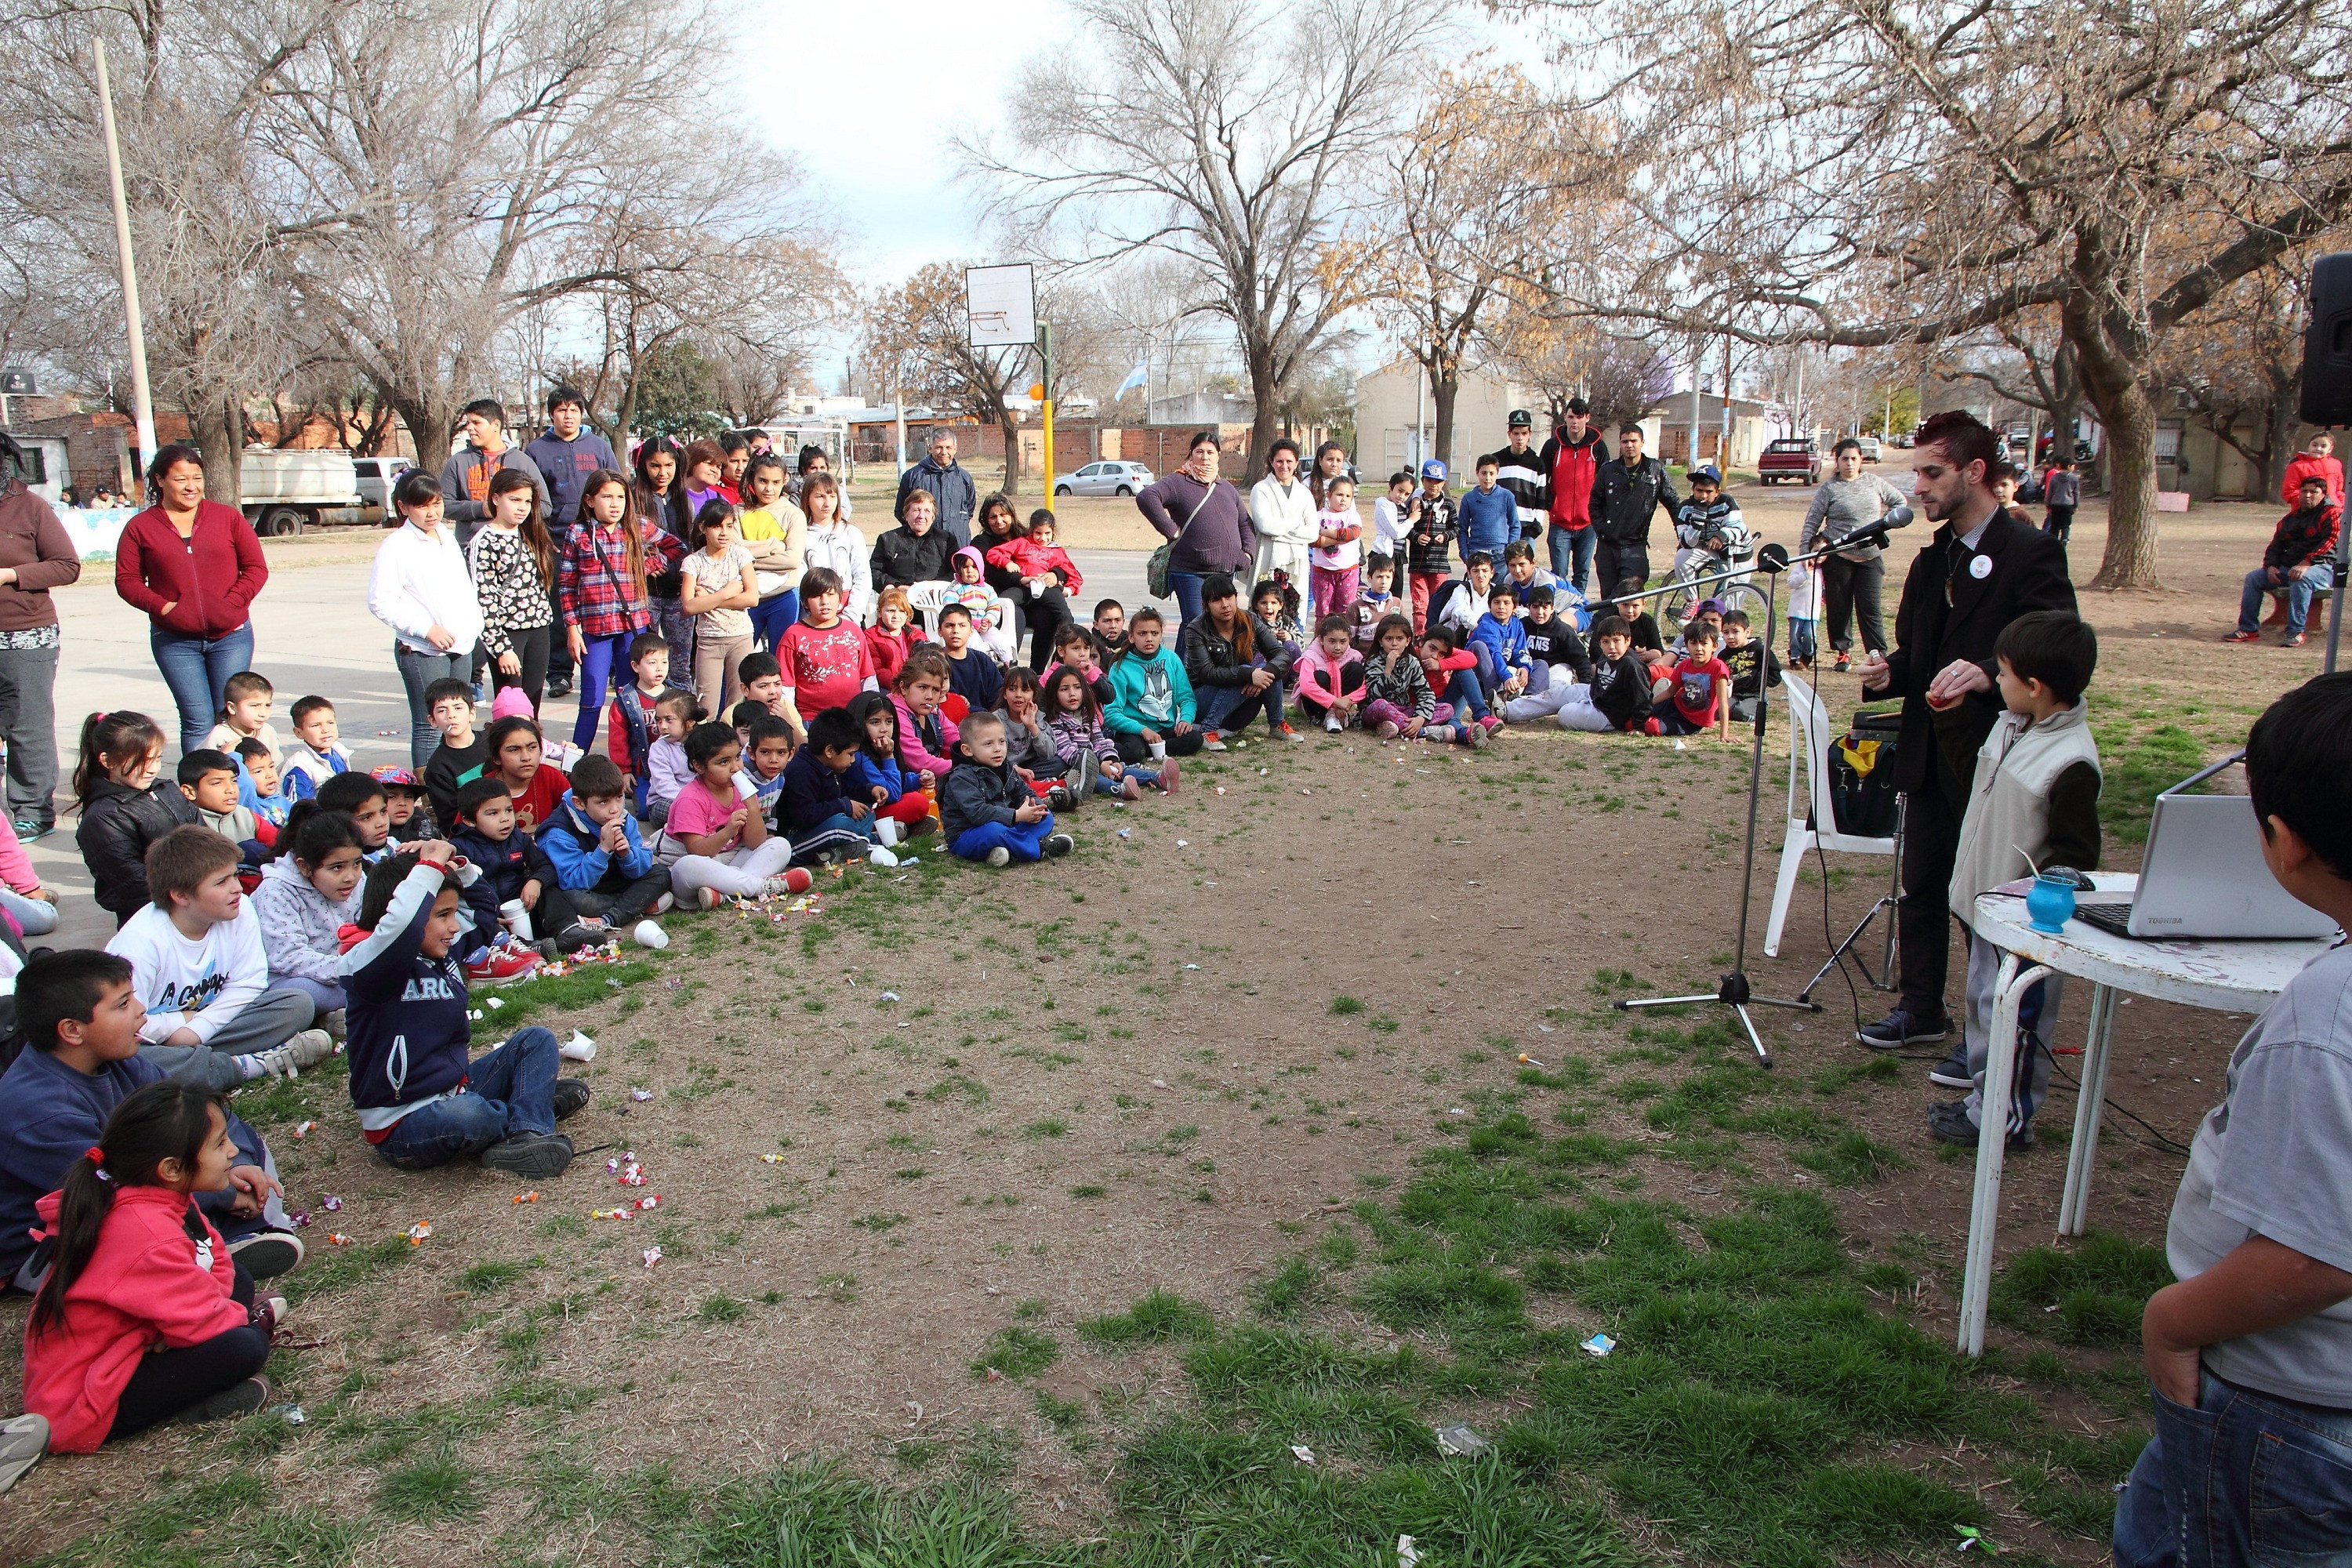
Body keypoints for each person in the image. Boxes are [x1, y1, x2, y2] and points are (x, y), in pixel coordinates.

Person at [2109, 672, 2352, 1568]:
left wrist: (2172, 1321)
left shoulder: (2325, 1025)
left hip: (2288, 1412)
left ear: (2285, 841)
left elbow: (2314, 1256)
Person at [1855, 409, 2078, 1051]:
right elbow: (1920, 654)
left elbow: (2061, 646)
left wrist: (1986, 671)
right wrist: (1889, 672)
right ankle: (1921, 1007)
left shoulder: (2031, 553)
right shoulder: (1933, 561)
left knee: (1990, 896)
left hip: (1997, 756)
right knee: (1923, 885)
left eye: (1932, 472)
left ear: (1975, 471)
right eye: (1917, 473)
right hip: (1931, 753)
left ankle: (1992, 1037)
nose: (1918, 486)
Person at [0, 952, 297, 1295]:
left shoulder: (121, 1062)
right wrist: (223, 1191)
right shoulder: (38, 1109)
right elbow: (111, 1193)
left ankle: (232, 1235)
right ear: (72, 1030)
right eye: (123, 1004)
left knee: (235, 1140)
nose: (142, 1010)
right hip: (57, 1240)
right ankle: (218, 1240)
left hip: (154, 1188)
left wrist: (236, 1165)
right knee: (132, 1226)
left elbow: (199, 1114)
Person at [21, 1080, 290, 1449]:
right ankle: (183, 1402)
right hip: (85, 1399)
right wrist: (237, 1322)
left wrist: (202, 1318)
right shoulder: (146, 1232)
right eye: (219, 1144)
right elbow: (204, 1320)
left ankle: (192, 1378)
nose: (232, 1151)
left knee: (239, 1280)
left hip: (129, 1343)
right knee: (246, 1347)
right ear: (172, 1168)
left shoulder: (163, 1194)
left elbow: (214, 1254)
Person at [1929, 611, 2101, 1150]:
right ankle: (1983, 1103)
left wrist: (2038, 903)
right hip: (1986, 909)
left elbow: (2078, 856)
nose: (1995, 680)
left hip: (2025, 925)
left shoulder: (2071, 762)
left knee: (2018, 1022)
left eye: (2002, 674)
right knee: (1984, 1009)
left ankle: (2006, 1119)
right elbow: (1977, 783)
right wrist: (1950, 719)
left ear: (2035, 686)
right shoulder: (2010, 725)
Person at [339, 848, 590, 1176]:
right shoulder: (369, 966)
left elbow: (485, 909)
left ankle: (528, 1130)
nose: (454, 926)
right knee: (470, 1114)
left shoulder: (440, 954)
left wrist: (459, 867)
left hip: (457, 1090)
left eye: (454, 913)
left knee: (536, 1040)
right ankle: (528, 1105)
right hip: (404, 1122)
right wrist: (428, 866)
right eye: (443, 915)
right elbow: (400, 926)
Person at [106, 826, 334, 1088]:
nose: (236, 888)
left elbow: (248, 985)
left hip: (208, 1028)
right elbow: (124, 1026)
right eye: (221, 882)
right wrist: (181, 1021)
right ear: (180, 895)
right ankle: (246, 1064)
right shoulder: (141, 943)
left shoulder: (240, 909)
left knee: (297, 1004)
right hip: (154, 1041)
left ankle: (197, 1062)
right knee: (134, 1062)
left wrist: (196, 1030)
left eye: (235, 876)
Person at [112, 445, 269, 757]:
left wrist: (231, 604)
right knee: (197, 720)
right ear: (160, 480)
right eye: (181, 479)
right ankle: (198, 784)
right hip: (174, 640)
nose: (191, 486)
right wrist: (164, 608)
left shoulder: (227, 518)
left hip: (231, 636)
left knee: (230, 718)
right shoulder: (140, 527)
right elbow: (127, 580)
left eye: (197, 478)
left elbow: (255, 568)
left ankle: (235, 781)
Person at [369, 470, 485, 772]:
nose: (432, 513)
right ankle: (428, 790)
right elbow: (380, 601)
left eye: (436, 504)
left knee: (458, 722)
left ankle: (458, 782)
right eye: (422, 506)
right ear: (403, 507)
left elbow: (463, 588)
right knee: (431, 724)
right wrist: (426, 629)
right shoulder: (397, 546)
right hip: (423, 651)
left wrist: (474, 628)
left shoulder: (446, 536)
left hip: (461, 645)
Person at [560, 470, 680, 753]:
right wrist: (572, 629)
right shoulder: (578, 533)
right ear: (590, 500)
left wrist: (649, 566)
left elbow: (676, 546)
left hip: (632, 628)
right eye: (607, 497)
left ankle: (634, 760)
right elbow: (566, 585)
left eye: (621, 497)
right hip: (595, 630)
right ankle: (575, 763)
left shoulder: (638, 526)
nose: (615, 504)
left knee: (631, 698)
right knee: (591, 698)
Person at [0, 441, 79, 839]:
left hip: (25, 635)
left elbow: (67, 566)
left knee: (26, 726)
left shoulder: (29, 506)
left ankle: (33, 810)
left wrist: (12, 575)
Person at [659, 722, 808, 907]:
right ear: (699, 766)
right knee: (688, 864)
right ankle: (761, 887)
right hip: (694, 873)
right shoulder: (690, 799)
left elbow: (755, 842)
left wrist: (752, 806)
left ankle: (726, 895)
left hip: (730, 863)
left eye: (737, 757)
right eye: (724, 762)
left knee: (780, 845)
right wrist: (727, 832)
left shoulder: (739, 788)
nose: (735, 767)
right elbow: (697, 851)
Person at [251, 803, 367, 1036]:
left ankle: (331, 1016)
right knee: (302, 994)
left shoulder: (359, 881)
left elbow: (366, 930)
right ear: (304, 867)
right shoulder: (275, 892)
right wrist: (348, 969)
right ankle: (342, 1008)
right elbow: (288, 957)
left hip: (344, 974)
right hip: (289, 981)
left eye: (356, 863)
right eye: (337, 868)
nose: (351, 876)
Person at [74, 712, 198, 927]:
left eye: (157, 758)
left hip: (195, 903)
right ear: (107, 761)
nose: (153, 769)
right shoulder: (104, 817)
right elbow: (135, 883)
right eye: (142, 761)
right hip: (152, 918)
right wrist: (196, 897)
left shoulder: (166, 789)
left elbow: (205, 841)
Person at [1136, 433, 1255, 652]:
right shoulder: (1179, 481)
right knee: (1195, 622)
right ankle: (1181, 670)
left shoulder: (1226, 488)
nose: (1205, 457)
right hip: (1189, 571)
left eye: (1210, 452)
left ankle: (1210, 670)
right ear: (1191, 454)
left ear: (1218, 455)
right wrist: (1171, 530)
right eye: (1199, 452)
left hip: (1224, 572)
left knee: (1219, 624)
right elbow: (1147, 497)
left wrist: (1247, 554)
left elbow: (1245, 523)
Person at [1800, 437, 1910, 672]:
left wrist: (1884, 525)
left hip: (1870, 556)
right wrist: (1805, 554)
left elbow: (1900, 502)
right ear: (1837, 461)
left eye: (1853, 458)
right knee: (1839, 608)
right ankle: (1843, 653)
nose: (1849, 463)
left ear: (1861, 460)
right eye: (1844, 459)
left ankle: (1877, 653)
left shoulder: (1874, 483)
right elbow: (1812, 522)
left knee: (1870, 608)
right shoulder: (1829, 489)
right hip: (1839, 557)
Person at [464, 466, 558, 716]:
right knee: (511, 709)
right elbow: (483, 600)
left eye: (527, 501)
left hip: (538, 629)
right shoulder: (484, 541)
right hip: (508, 633)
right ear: (496, 498)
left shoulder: (530, 533)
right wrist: (501, 648)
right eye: (515, 500)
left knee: (532, 707)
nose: (522, 508)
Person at [941, 709, 1072, 867]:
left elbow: (1023, 792)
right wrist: (1016, 816)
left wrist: (1034, 806)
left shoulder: (1006, 767)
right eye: (988, 744)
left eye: (1002, 742)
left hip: (1006, 824)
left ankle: (1007, 849)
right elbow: (978, 813)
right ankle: (1040, 849)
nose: (997, 749)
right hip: (969, 834)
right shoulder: (961, 777)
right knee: (994, 831)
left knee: (1046, 816)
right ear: (967, 750)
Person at [2225, 475, 2339, 648]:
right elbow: (2276, 546)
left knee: (2301, 579)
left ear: (2323, 494)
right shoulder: (2290, 519)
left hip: (2323, 568)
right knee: (2254, 578)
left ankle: (2295, 631)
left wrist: (2307, 563)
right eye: (2304, 491)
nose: (2307, 495)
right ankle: (2248, 629)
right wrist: (2271, 566)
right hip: (2291, 567)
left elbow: (2331, 542)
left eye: (2313, 492)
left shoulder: (2332, 514)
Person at [779, 708, 899, 864]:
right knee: (839, 825)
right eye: (850, 754)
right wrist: (844, 805)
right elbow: (805, 816)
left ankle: (837, 851)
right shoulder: (800, 771)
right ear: (829, 751)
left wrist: (870, 790)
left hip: (825, 829)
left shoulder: (829, 765)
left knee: (867, 812)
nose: (853, 760)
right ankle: (875, 842)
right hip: (796, 841)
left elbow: (841, 791)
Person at [1184, 575, 1290, 743]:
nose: (1225, 604)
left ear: (1236, 597)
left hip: (1238, 712)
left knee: (1270, 672)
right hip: (1202, 703)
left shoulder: (1250, 620)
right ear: (1206, 605)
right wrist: (1248, 675)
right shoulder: (1196, 630)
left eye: (1228, 597)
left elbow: (1282, 654)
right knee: (1248, 671)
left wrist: (1263, 673)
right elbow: (1207, 673)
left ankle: (1277, 724)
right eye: (1216, 600)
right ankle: (1208, 730)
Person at [679, 499, 759, 713]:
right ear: (703, 527)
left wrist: (709, 600)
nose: (724, 533)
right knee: (706, 704)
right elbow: (689, 606)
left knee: (737, 703)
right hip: (709, 641)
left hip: (740, 637)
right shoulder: (693, 562)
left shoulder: (740, 555)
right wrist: (725, 593)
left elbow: (752, 598)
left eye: (729, 526)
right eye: (717, 526)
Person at [438, 398, 549, 551]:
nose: (469, 428)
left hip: (513, 547)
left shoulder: (522, 462)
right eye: (468, 423)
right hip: (470, 547)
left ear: (496, 425)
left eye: (476, 423)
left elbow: (545, 506)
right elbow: (443, 505)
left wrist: (511, 511)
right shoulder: (457, 462)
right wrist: (480, 509)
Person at [1105, 607, 1208, 764]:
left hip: (1164, 729)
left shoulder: (1172, 659)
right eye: (1142, 634)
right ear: (1131, 637)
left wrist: (1185, 720)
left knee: (1194, 739)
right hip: (1133, 731)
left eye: (1154, 633)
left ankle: (1150, 750)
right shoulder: (1120, 668)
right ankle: (1123, 749)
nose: (1149, 639)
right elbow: (1111, 714)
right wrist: (1142, 730)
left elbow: (1187, 698)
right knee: (1134, 752)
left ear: (1161, 634)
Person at [777, 567, 877, 729]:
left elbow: (868, 679)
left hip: (852, 719)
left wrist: (872, 713)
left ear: (840, 598)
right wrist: (793, 725)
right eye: (817, 596)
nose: (825, 602)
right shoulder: (793, 635)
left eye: (830, 594)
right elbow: (786, 687)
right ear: (805, 602)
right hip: (811, 720)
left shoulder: (854, 631)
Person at [520, 385, 615, 556]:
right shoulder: (536, 450)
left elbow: (617, 488)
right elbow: (529, 499)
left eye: (574, 410)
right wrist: (541, 536)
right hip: (556, 540)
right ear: (551, 414)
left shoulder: (599, 446)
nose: (568, 416)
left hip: (598, 535)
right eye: (562, 410)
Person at [1044, 665, 1162, 799]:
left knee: (1120, 768)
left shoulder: (1087, 714)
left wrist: (1110, 759)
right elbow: (1068, 752)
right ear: (1054, 693)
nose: (1072, 693)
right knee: (1095, 779)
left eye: (1077, 687)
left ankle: (1157, 778)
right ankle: (1119, 789)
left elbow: (1099, 740)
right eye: (1064, 689)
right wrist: (1099, 765)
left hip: (1097, 760)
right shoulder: (1055, 721)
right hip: (1074, 768)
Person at [1588, 425, 1679, 597]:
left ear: (1642, 442)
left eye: (1634, 441)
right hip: (1608, 546)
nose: (1629, 445)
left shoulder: (1655, 470)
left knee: (1630, 597)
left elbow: (1673, 503)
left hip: (1635, 545)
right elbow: (1594, 503)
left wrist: (1682, 533)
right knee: (1609, 600)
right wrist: (1602, 529)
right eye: (1625, 442)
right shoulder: (1608, 470)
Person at [630, 436, 695, 679]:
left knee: (680, 664)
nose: (662, 473)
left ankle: (681, 703)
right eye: (655, 466)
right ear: (643, 465)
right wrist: (646, 562)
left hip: (679, 591)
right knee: (646, 663)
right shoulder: (632, 497)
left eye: (669, 465)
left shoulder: (683, 497)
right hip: (645, 593)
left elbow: (689, 542)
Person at [983, 509, 1080, 670]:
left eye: (1047, 533)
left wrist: (1067, 590)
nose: (1043, 538)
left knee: (1065, 616)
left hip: (1047, 588)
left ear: (1053, 532)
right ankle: (1006, 661)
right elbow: (994, 553)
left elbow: (1074, 575)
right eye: (1038, 533)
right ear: (1031, 531)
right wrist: (1007, 563)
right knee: (1004, 602)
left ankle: (1060, 660)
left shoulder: (1057, 551)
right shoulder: (1022, 543)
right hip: (1025, 585)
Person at [844, 691, 943, 837]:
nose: (884, 729)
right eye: (875, 722)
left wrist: (918, 779)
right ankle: (885, 830)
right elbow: (892, 794)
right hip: (864, 814)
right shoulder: (858, 757)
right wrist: (888, 757)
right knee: (917, 803)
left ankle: (902, 828)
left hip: (881, 807)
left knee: (916, 799)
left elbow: (899, 780)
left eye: (889, 721)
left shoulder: (880, 749)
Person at [737, 452, 807, 652]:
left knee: (781, 659)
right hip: (745, 597)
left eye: (776, 482)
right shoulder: (736, 512)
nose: (769, 488)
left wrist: (747, 560)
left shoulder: (794, 514)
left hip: (783, 596)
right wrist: (774, 546)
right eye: (763, 481)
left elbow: (792, 560)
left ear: (785, 480)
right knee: (739, 659)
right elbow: (732, 552)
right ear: (752, 478)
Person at [1539, 398, 1606, 592]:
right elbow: (1542, 479)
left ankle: (1578, 608)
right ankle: (1560, 607)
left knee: (1582, 574)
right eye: (1571, 417)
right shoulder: (1553, 446)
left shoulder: (1598, 447)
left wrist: (1597, 511)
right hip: (1560, 522)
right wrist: (1551, 504)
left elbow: (1605, 480)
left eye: (1579, 417)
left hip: (1587, 524)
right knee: (1559, 574)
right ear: (1565, 418)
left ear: (1587, 418)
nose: (1574, 421)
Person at [1247, 438, 1318, 613]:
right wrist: (1297, 524)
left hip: (1296, 563)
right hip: (1268, 558)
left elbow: (1312, 533)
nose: (1284, 466)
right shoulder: (1261, 489)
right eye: (1279, 461)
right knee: (1264, 612)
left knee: (1294, 613)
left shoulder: (1304, 493)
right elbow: (1264, 525)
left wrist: (1277, 531)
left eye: (1289, 461)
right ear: (1271, 462)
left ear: (1296, 463)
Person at [798, 473, 872, 626]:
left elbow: (862, 577)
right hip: (813, 618)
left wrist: (851, 616)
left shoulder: (851, 533)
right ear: (807, 499)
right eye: (820, 497)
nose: (827, 503)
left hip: (849, 615)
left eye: (832, 497)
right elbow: (800, 580)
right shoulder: (800, 535)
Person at [1645, 620, 1732, 739]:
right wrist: (1648, 705)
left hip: (1691, 721)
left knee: (1652, 727)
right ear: (1686, 646)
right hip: (1675, 706)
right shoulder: (1684, 665)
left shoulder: (1718, 668)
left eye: (1704, 643)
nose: (1699, 648)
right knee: (1633, 719)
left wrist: (1724, 735)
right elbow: (1670, 692)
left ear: (1714, 646)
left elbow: (1723, 702)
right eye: (1694, 643)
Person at [482, 714, 568, 833]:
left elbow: (577, 817)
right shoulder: (483, 790)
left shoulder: (551, 777)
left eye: (532, 747)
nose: (526, 757)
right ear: (496, 758)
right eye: (514, 750)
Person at [421, 681, 488, 829]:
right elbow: (450, 823)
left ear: (472, 713)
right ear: (432, 721)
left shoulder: (493, 742)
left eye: (458, 708)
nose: (451, 716)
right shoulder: (438, 769)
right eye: (442, 711)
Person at [896, 428, 978, 547]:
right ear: (930, 448)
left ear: (955, 449)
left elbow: (969, 511)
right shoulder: (913, 476)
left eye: (948, 447)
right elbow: (901, 512)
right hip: (924, 547)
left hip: (958, 546)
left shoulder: (964, 478)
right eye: (939, 447)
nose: (944, 452)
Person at [1360, 614, 1437, 741]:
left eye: (1400, 639)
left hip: (1403, 710)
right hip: (1376, 711)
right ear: (1380, 641)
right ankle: (1422, 731)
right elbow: (1372, 697)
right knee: (1380, 705)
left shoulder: (1412, 662)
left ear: (1408, 641)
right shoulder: (1373, 661)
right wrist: (1387, 671)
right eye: (1389, 639)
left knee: (1447, 708)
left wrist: (1421, 717)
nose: (1394, 644)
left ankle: (1399, 726)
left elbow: (1425, 693)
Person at [1403, 460, 1458, 631]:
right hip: (1418, 564)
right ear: (1422, 481)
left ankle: (1436, 635)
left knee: (1439, 603)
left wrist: (1445, 536)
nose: (1433, 485)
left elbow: (1456, 528)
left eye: (1438, 481)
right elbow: (1405, 528)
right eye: (1429, 480)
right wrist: (1416, 537)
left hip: (1439, 564)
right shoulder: (1415, 503)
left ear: (1444, 483)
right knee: (1420, 604)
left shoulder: (1448, 505)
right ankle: (1420, 636)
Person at [869, 488, 956, 590]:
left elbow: (956, 571)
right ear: (906, 514)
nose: (921, 516)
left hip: (937, 596)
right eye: (916, 510)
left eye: (927, 511)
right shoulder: (888, 539)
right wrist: (895, 586)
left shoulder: (947, 540)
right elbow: (873, 571)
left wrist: (934, 587)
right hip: (898, 595)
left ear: (933, 516)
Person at [1307, 475, 1364, 625]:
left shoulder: (1352, 516)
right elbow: (1312, 540)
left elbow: (1353, 533)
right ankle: (1322, 637)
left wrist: (1328, 533)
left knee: (1346, 610)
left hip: (1348, 571)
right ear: (1329, 495)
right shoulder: (1318, 516)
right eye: (1339, 495)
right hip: (1322, 572)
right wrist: (1339, 539)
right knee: (1323, 611)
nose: (1343, 499)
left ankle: (1345, 637)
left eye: (1348, 496)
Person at [946, 547, 1018, 666]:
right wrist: (970, 623)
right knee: (975, 644)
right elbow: (952, 609)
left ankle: (1010, 665)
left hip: (984, 626)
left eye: (974, 567)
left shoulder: (987, 589)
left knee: (1000, 640)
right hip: (965, 627)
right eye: (965, 567)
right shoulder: (955, 588)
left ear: (980, 567)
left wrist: (988, 621)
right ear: (959, 570)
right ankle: (988, 665)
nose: (970, 571)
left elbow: (994, 608)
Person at [1294, 616, 1368, 732]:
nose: (1338, 647)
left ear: (1349, 639)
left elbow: (1364, 686)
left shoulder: (1354, 656)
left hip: (1342, 701)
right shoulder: (1311, 657)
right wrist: (1335, 701)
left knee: (1356, 669)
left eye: (1343, 642)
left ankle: (1336, 714)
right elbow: (1307, 687)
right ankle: (1321, 716)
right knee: (1320, 676)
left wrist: (1347, 701)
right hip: (1314, 705)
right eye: (1332, 641)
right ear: (1321, 640)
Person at [1487, 409, 1547, 546]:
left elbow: (1541, 499)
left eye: (1524, 433)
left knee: (1523, 561)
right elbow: (1489, 490)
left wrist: (1537, 524)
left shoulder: (1537, 463)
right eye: (1516, 433)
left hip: (1526, 528)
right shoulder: (1497, 460)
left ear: (1530, 434)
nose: (1520, 438)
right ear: (1509, 434)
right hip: (1501, 525)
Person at [641, 691, 699, 829]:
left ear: (689, 723)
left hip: (700, 800)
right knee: (671, 809)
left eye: (669, 720)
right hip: (666, 800)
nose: (663, 726)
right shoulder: (659, 748)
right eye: (659, 720)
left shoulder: (702, 743)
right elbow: (664, 786)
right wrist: (691, 801)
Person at [279, 695, 352, 803]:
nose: (325, 730)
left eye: (330, 723)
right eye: (316, 725)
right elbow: (300, 809)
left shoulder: (340, 753)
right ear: (299, 733)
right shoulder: (300, 767)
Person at [204, 671, 281, 768]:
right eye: (254, 706)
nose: (263, 713)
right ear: (232, 708)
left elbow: (277, 766)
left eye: (267, 705)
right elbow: (207, 770)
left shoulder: (268, 731)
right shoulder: (219, 737)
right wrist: (223, 759)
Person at [1718, 609, 1781, 723]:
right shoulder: (1723, 655)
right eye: (1726, 633)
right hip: (1733, 694)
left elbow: (1775, 675)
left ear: (1747, 632)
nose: (1730, 637)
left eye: (1735, 632)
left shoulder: (1760, 650)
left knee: (1741, 712)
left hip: (1754, 694)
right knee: (1718, 711)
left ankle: (1757, 708)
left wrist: (1756, 682)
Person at [936, 604, 1003, 713]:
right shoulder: (937, 663)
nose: (956, 631)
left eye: (962, 625)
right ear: (940, 631)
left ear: (971, 630)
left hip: (988, 719)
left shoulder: (983, 660)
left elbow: (998, 695)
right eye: (949, 626)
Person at [1457, 452, 1519, 568]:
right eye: (1484, 473)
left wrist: (1509, 551)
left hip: (1500, 554)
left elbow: (1515, 526)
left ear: (1497, 474)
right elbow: (1462, 529)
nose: (1488, 478)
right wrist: (1465, 554)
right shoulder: (1469, 498)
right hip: (1476, 552)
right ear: (1477, 473)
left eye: (1492, 473)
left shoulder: (1506, 496)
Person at [864, 587, 924, 689]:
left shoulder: (917, 635)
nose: (896, 616)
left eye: (902, 611)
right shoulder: (870, 636)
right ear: (879, 613)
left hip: (916, 686)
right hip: (889, 688)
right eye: (891, 611)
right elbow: (877, 670)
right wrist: (900, 686)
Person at [2280, 429, 2343, 509]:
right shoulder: (2297, 466)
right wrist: (2307, 504)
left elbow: (2338, 490)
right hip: (2308, 510)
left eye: (2323, 446)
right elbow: (2289, 491)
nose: (2318, 449)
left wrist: (2342, 505)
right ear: (2309, 446)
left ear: (2330, 449)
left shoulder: (2336, 464)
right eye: (2314, 445)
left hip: (2333, 509)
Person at [2041, 456, 2080, 542]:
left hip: (2055, 504)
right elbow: (2076, 493)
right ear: (2069, 466)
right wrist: (2076, 505)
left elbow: (2050, 493)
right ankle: (2064, 540)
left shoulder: (2054, 478)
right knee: (2066, 525)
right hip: (2068, 504)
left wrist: (2048, 505)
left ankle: (2054, 543)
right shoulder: (2074, 478)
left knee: (2055, 526)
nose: (2074, 468)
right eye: (2073, 466)